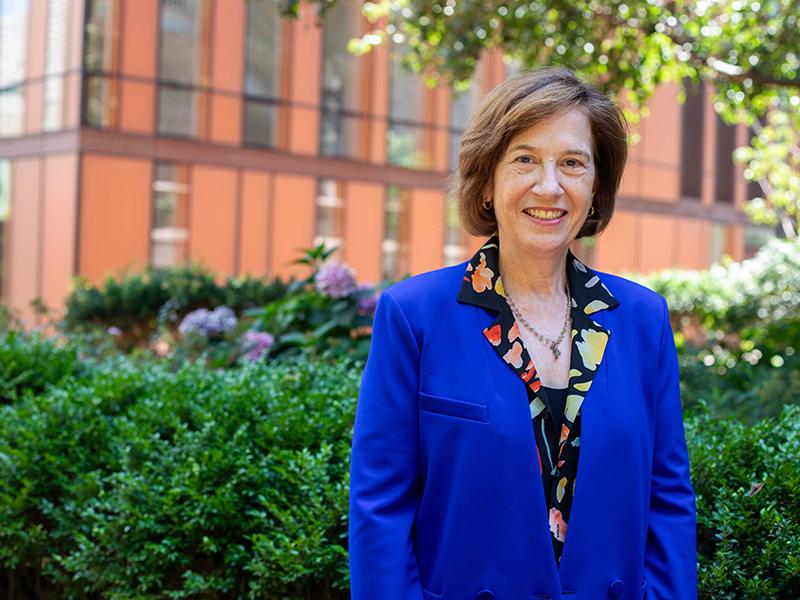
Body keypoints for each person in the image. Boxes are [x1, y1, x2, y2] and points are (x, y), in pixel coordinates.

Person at [348, 67, 696, 600]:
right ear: (487, 180)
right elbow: (380, 512)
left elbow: (668, 500)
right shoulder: (413, 316)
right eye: (525, 160)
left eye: (573, 163)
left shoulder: (643, 319)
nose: (550, 186)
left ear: (597, 185)